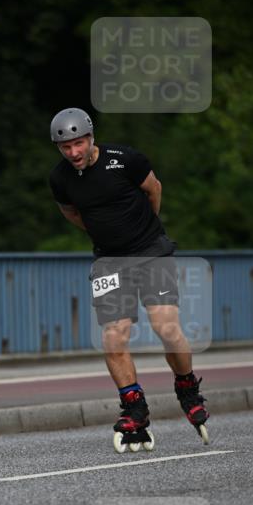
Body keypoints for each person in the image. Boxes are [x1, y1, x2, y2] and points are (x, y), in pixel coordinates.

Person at [48, 106, 209, 451]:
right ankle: (134, 407)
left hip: (151, 251)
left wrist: (144, 229)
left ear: (91, 137)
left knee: (166, 327)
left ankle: (187, 387)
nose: (73, 152)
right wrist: (106, 235)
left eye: (79, 143)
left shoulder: (125, 160)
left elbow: (154, 190)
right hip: (109, 261)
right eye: (66, 147)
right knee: (113, 335)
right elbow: (71, 213)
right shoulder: (60, 179)